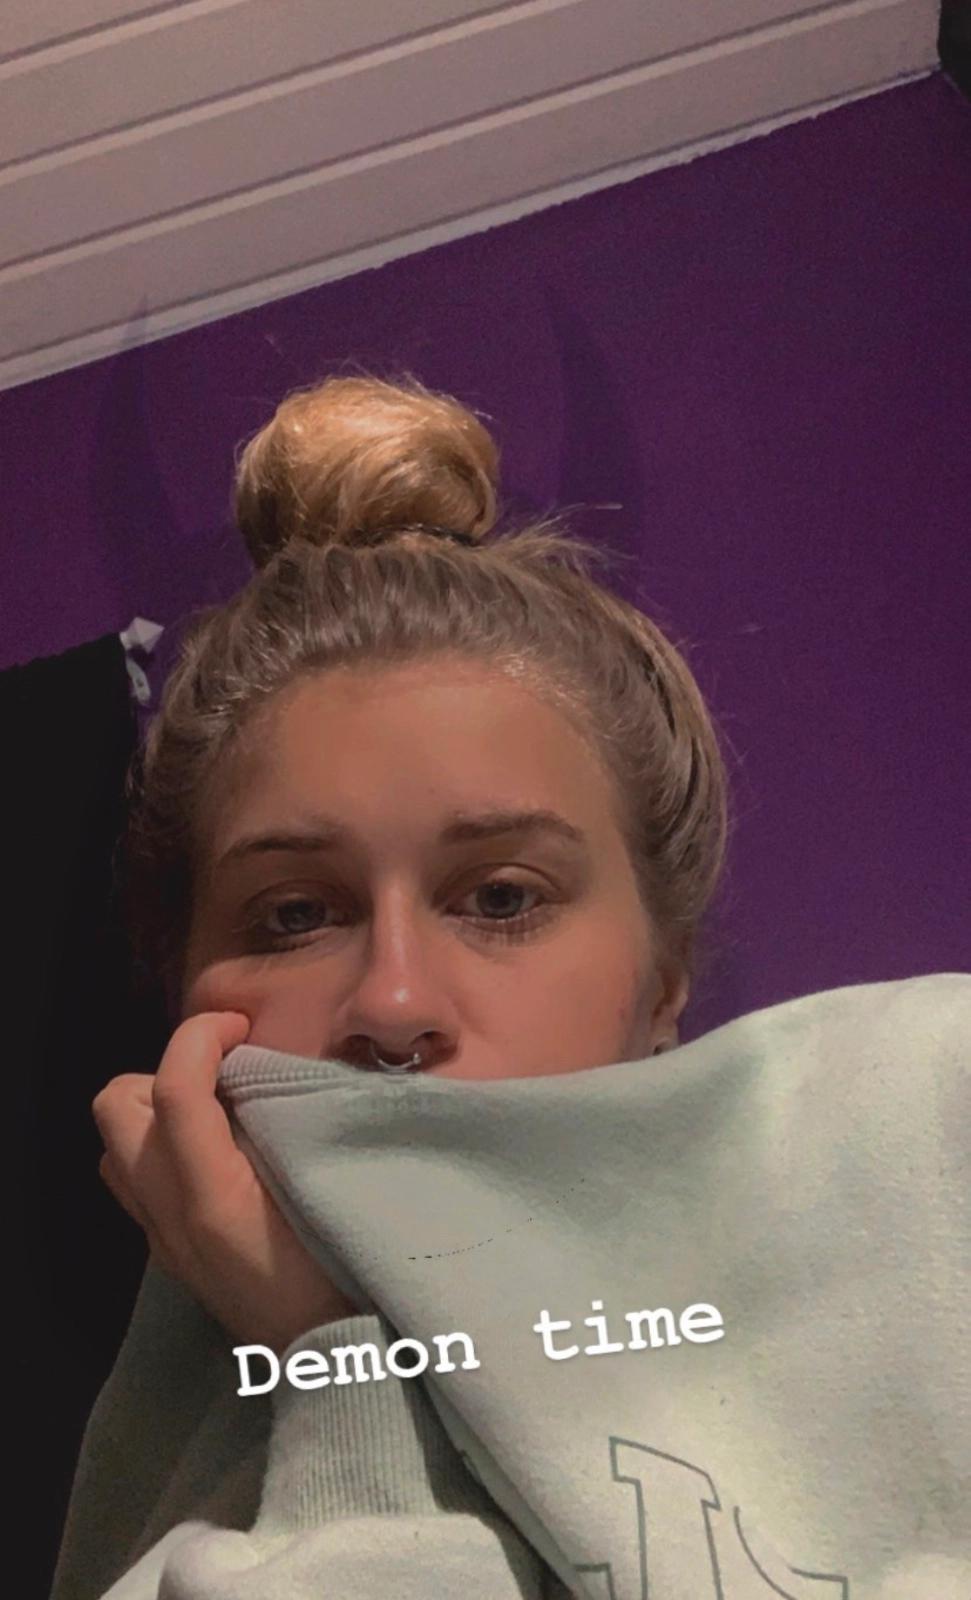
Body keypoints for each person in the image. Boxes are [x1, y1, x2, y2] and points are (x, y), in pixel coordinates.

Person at [51, 374, 969, 1600]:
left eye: (498, 898)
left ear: (661, 983)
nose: (391, 1004)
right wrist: (329, 1354)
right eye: (294, 914)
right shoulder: (172, 1509)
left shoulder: (926, 1150)